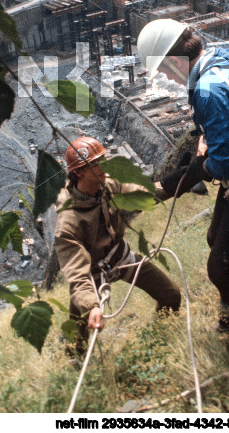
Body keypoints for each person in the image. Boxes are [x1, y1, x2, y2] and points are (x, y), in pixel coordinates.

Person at [137, 19, 229, 331]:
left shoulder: (207, 91)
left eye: (164, 70)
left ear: (174, 62)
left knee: (220, 267)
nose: (167, 77)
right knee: (215, 239)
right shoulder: (222, 60)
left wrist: (199, 169)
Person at [54, 136, 181, 351]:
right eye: (96, 164)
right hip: (91, 276)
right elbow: (78, 276)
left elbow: (143, 194)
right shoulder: (68, 222)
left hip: (119, 257)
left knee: (171, 296)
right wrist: (93, 305)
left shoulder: (108, 185)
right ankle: (75, 362)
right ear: (79, 172)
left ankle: (160, 341)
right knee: (78, 343)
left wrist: (180, 179)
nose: (104, 166)